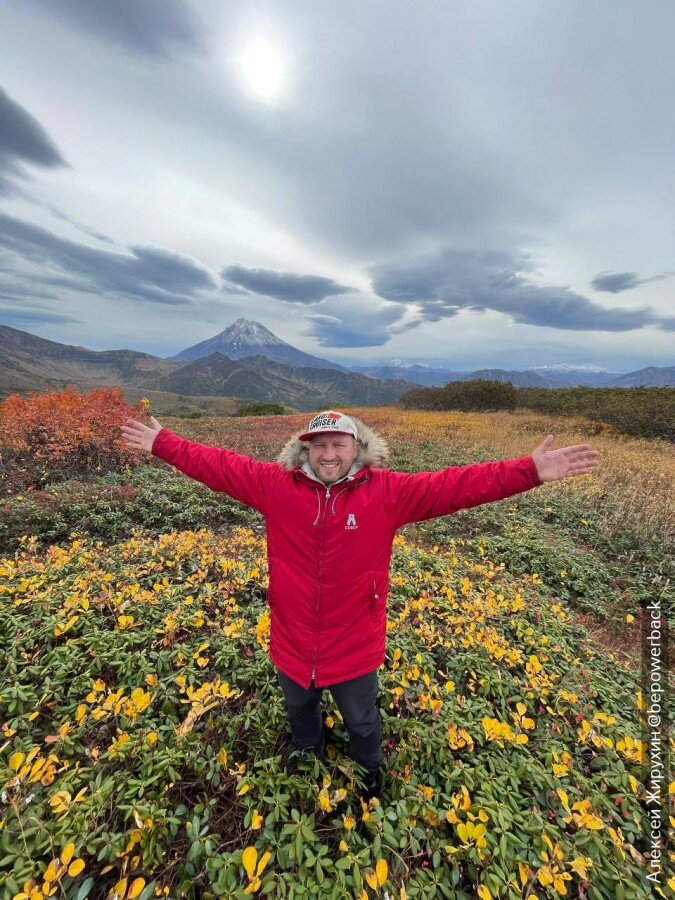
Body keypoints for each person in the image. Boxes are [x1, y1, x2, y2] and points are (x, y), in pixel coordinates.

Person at [121, 409, 600, 799]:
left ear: (357, 448)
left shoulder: (387, 493)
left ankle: (369, 777)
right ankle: (308, 763)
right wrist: (163, 443)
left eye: (338, 444)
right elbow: (218, 465)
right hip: (292, 640)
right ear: (305, 449)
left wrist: (530, 470)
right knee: (300, 714)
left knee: (363, 721)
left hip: (354, 643)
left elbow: (456, 485)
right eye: (319, 445)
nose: (328, 454)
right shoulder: (275, 485)